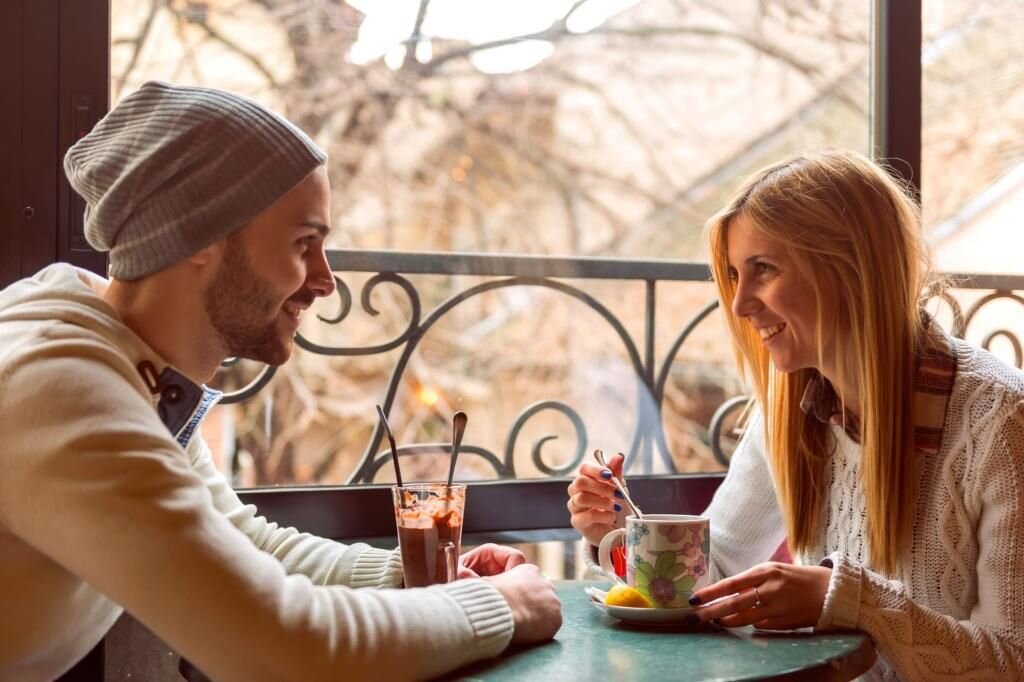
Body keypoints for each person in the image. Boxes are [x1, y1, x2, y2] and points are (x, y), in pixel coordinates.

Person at [0, 81, 561, 682]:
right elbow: (287, 645)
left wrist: (413, 575)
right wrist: (502, 605)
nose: (326, 281)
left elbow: (233, 540)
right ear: (199, 238)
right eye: (304, 244)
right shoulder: (67, 391)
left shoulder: (127, 364)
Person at [568, 149, 1024, 679]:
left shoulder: (1002, 422)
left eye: (763, 269)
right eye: (735, 275)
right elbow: (710, 580)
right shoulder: (788, 413)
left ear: (851, 268)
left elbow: (1013, 660)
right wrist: (621, 532)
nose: (739, 306)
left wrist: (854, 601)